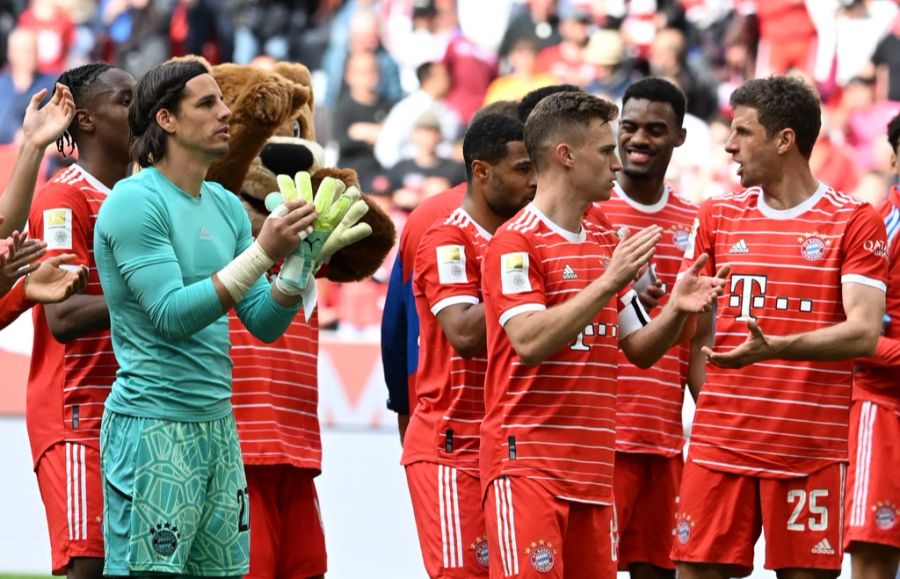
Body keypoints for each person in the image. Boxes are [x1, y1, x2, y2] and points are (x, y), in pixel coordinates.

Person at [479, 90, 726, 577]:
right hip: (528, 466)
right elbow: (528, 341)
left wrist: (677, 309)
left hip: (592, 473)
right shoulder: (515, 241)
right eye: (605, 150)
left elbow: (638, 348)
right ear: (565, 156)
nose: (617, 164)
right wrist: (610, 281)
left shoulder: (603, 240)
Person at [93, 59, 318, 577]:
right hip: (153, 428)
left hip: (218, 426)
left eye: (222, 100)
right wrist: (263, 253)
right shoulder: (134, 201)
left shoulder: (224, 204)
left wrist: (304, 260)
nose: (226, 114)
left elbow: (262, 321)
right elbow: (171, 315)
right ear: (166, 120)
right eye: (208, 103)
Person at [672, 76, 889, 578]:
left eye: (743, 132)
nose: (729, 144)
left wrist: (772, 349)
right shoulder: (717, 215)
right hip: (718, 446)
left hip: (809, 452)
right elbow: (699, 335)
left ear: (784, 140)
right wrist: (721, 410)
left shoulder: (853, 220)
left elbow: (861, 333)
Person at [403, 113, 536, 577]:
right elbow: (462, 333)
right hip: (452, 449)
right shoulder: (448, 238)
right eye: (523, 168)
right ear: (481, 171)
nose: (534, 181)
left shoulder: (527, 239)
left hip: (511, 451)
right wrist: (533, 288)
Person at [24, 63, 134, 579]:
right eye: (126, 99)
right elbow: (64, 316)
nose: (143, 110)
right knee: (89, 567)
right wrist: (162, 297)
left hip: (138, 414)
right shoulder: (63, 197)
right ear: (85, 120)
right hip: (78, 415)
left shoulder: (145, 198)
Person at [597, 77, 696, 579]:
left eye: (656, 129)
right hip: (601, 441)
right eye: (629, 127)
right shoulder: (590, 212)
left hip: (663, 440)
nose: (639, 139)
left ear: (679, 137)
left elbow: (699, 339)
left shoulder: (697, 223)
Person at [843, 112, 900, 579]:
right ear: (896, 157)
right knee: (875, 557)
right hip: (883, 412)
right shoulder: (880, 228)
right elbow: (848, 335)